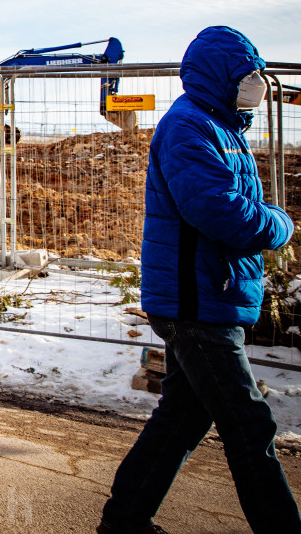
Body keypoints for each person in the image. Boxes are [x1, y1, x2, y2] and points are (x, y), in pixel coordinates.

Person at [97, 27, 300, 534]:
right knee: (250, 426)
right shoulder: (190, 127)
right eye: (247, 74)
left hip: (210, 293)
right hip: (195, 301)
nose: (257, 84)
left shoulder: (221, 126)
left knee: (183, 418)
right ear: (221, 75)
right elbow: (217, 210)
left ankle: (125, 522)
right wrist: (278, 222)